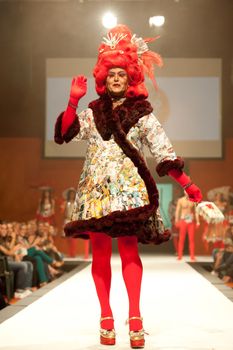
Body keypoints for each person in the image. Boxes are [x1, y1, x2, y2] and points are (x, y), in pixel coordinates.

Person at [54, 25, 202, 348]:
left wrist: (187, 184)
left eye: (122, 73)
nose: (117, 78)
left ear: (130, 76)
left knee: (130, 251)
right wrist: (71, 101)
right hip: (95, 194)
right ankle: (106, 317)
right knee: (101, 255)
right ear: (104, 78)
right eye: (112, 74)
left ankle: (135, 318)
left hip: (128, 195)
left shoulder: (143, 113)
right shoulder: (93, 114)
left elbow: (164, 150)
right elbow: (65, 133)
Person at [175, 192, 200, 261]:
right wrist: (176, 220)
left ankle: (192, 256)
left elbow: (196, 211)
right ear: (184, 192)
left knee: (191, 239)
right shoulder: (181, 200)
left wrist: (198, 221)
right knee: (181, 239)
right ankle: (180, 255)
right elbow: (177, 211)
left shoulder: (193, 200)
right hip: (183, 220)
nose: (187, 192)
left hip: (191, 221)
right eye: (186, 191)